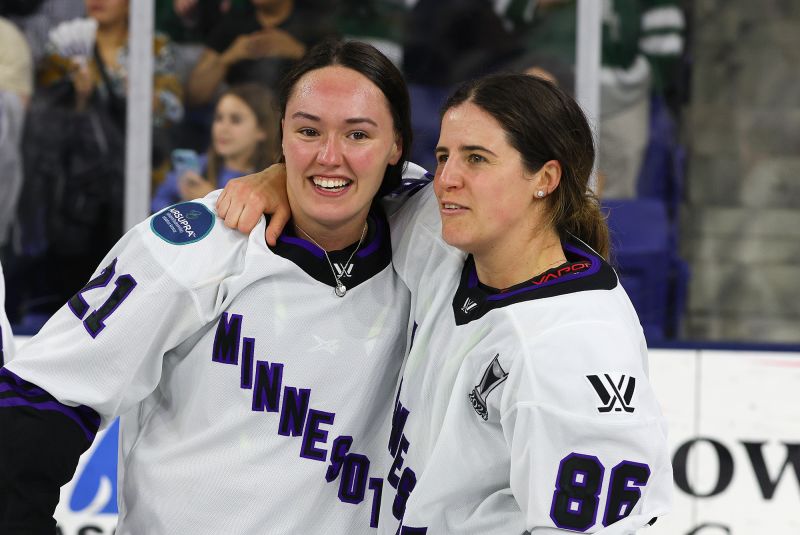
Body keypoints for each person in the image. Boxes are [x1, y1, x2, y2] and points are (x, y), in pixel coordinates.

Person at [217, 73, 672, 533]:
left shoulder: (571, 349)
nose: (446, 180)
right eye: (443, 156)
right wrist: (278, 177)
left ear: (545, 178)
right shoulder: (440, 234)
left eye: (476, 159)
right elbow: (356, 179)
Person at [0, 39, 416, 533]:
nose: (330, 155)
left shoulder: (428, 242)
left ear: (397, 146)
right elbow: (41, 399)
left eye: (357, 135)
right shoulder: (195, 244)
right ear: (280, 133)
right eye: (308, 130)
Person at [151, 83, 280, 213]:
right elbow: (158, 201)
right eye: (219, 118)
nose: (223, 128)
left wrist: (210, 200)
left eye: (235, 120)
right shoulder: (199, 166)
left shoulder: (272, 179)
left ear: (262, 129)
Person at [185, 0, 336, 107]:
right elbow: (195, 96)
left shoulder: (317, 28)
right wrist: (228, 58)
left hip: (297, 121)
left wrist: (300, 53)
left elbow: (338, 92)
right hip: (242, 122)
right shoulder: (233, 25)